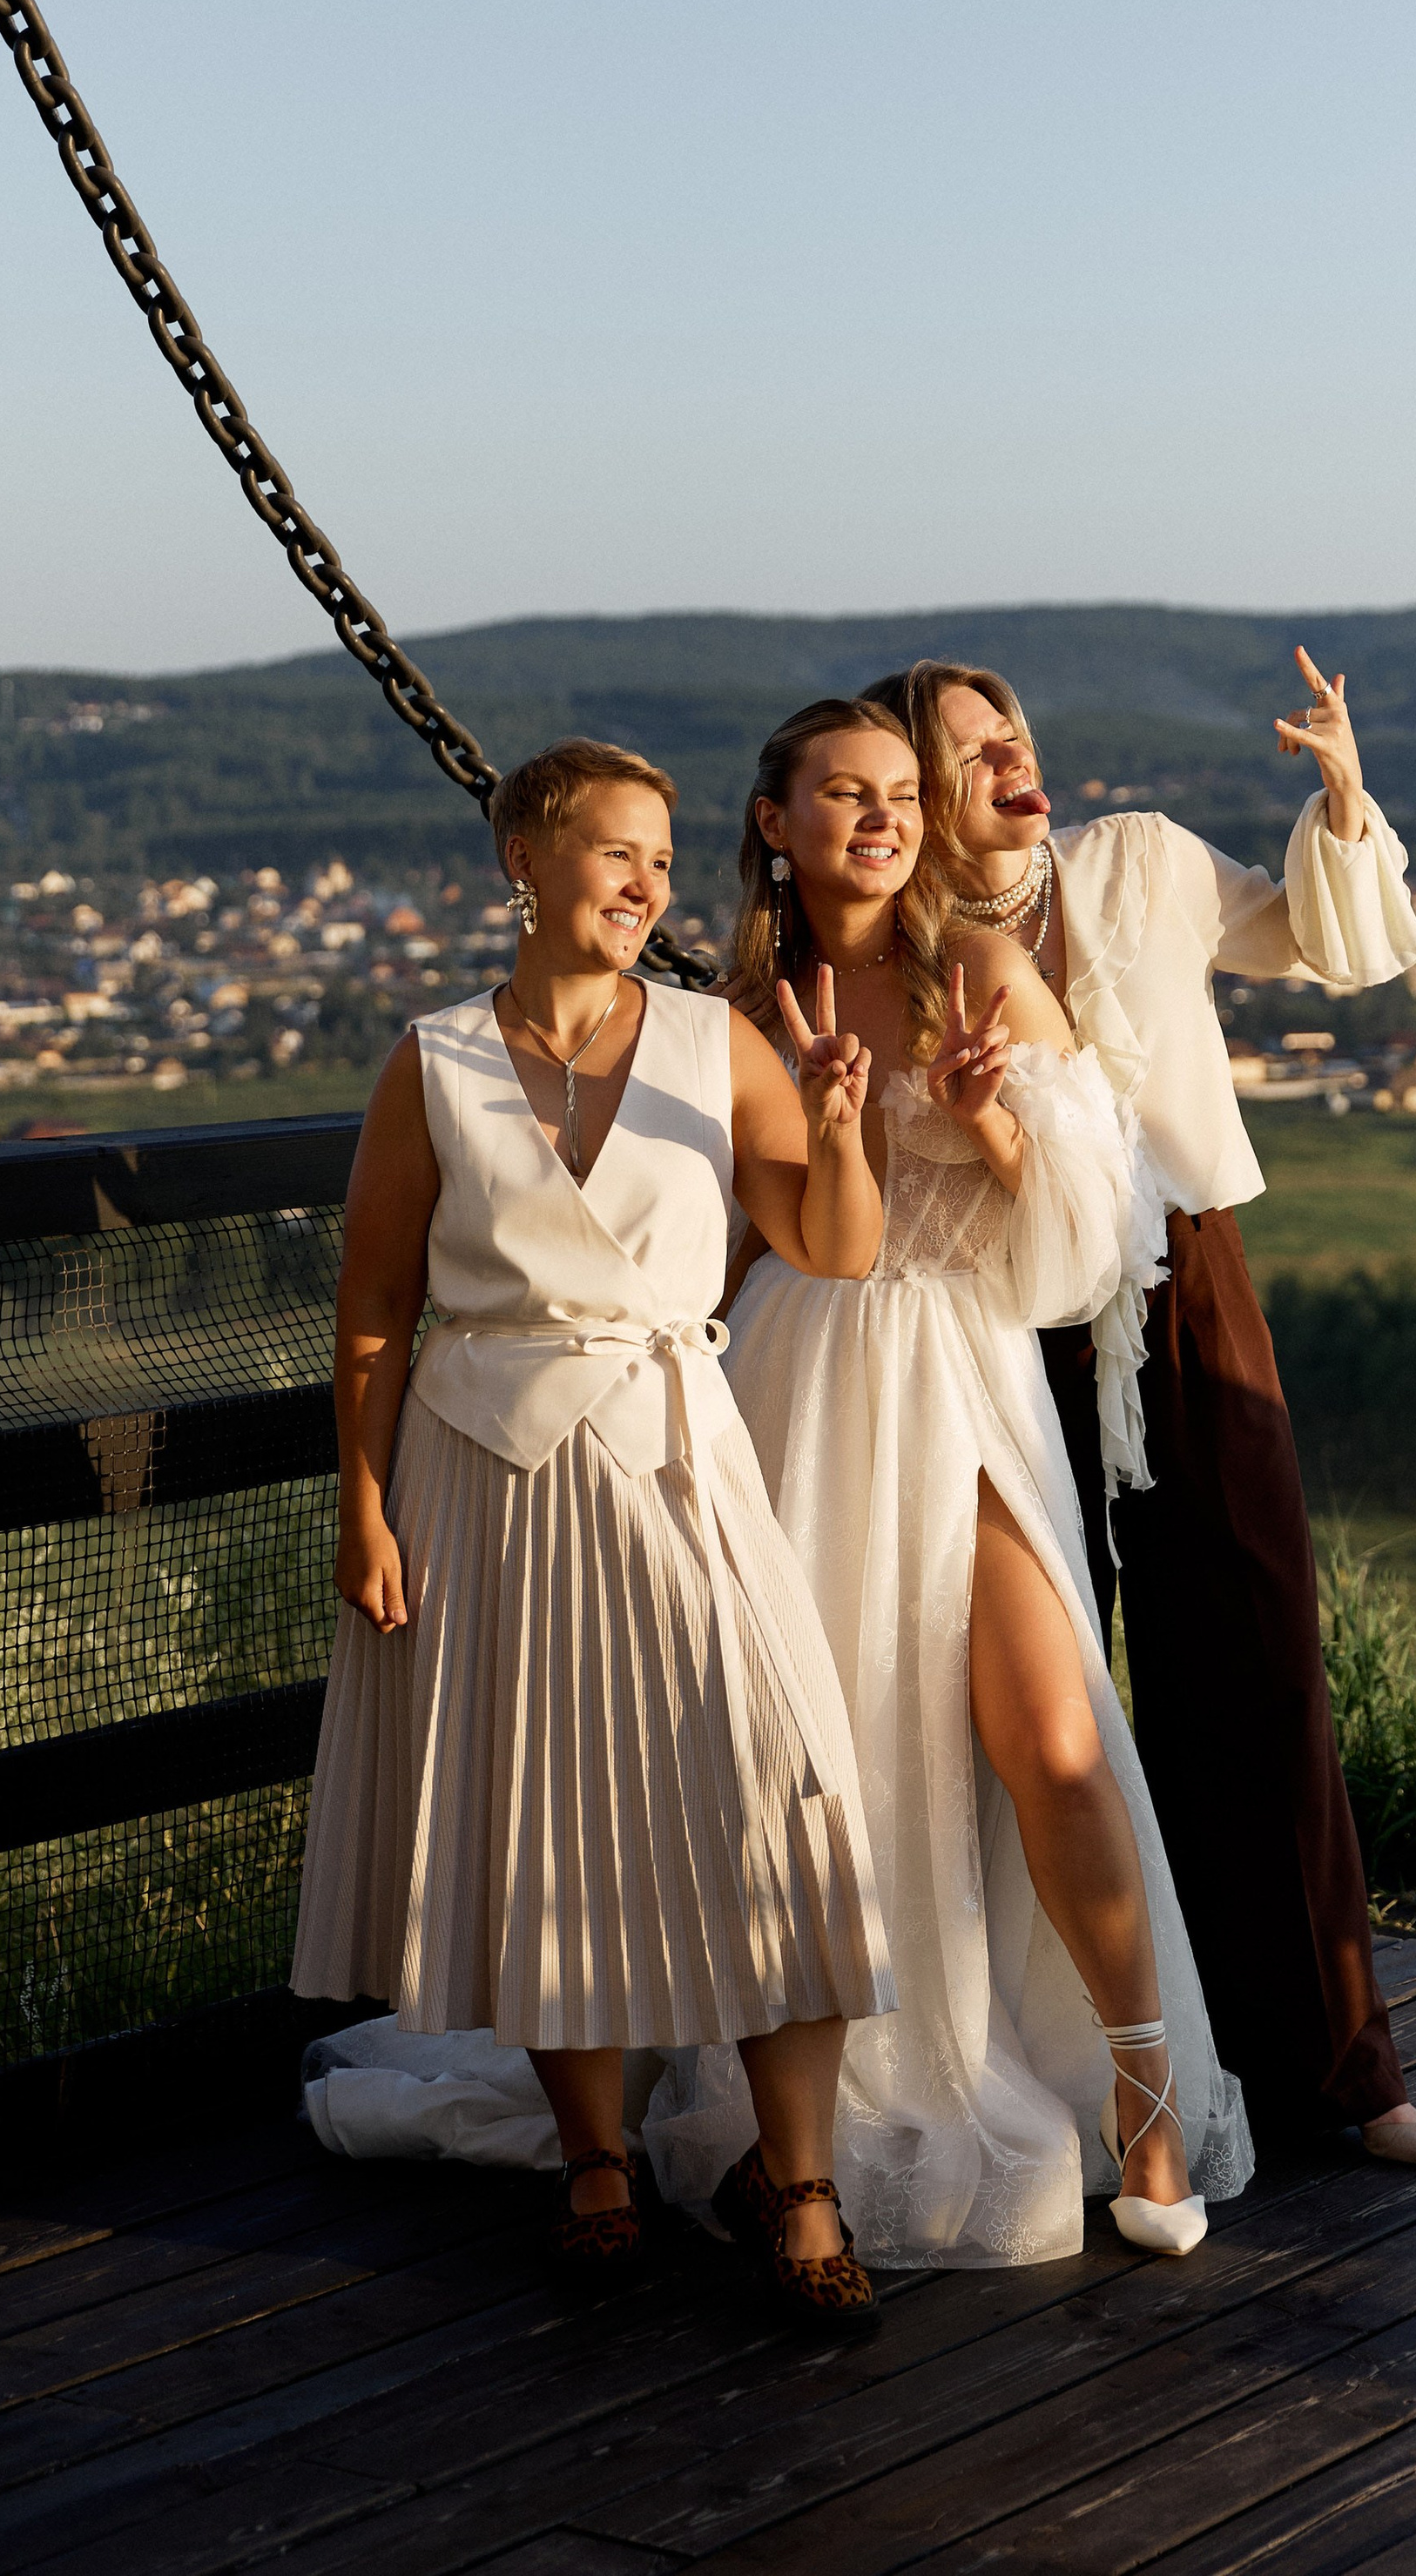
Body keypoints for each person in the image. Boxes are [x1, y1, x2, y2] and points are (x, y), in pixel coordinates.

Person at [288, 736, 900, 2324]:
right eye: (615, 854)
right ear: (526, 864)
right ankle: (595, 2164)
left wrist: (836, 1124)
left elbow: (832, 1250)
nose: (645, 887)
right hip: (483, 1477)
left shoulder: (719, 1043)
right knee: (541, 1812)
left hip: (679, 1465)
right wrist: (359, 1502)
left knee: (780, 1793)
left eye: (659, 860)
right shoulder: (433, 1061)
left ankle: (804, 2181)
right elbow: (372, 1302)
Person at [652, 697, 1251, 2268]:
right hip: (789, 1377)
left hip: (961, 1379)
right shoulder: (735, 1001)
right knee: (810, 1761)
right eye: (844, 795)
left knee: (1052, 1741)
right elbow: (717, 1236)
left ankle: (1145, 2095)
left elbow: (1092, 1246)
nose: (884, 818)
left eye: (903, 794)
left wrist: (989, 1130)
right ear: (772, 822)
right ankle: (811, 2117)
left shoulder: (979, 972)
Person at [866, 655, 1416, 2171]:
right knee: (1034, 1702)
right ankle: (1076, 2064)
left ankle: (1337, 2066)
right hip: (999, 1321)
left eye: (1019, 735)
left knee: (1251, 1656)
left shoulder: (1139, 861)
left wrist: (1338, 784)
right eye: (973, 750)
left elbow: (1325, 947)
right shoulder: (903, 943)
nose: (1015, 761)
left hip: (1184, 1280)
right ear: (918, 796)